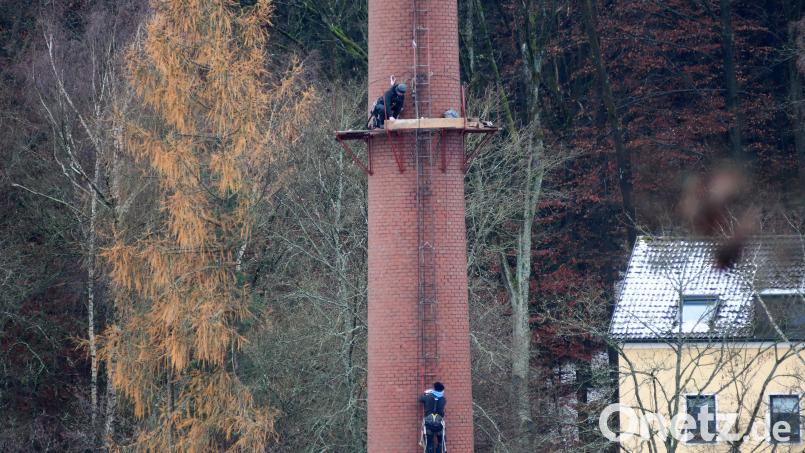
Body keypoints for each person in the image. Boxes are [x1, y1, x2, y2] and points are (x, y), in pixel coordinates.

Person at [418, 382, 446, 453]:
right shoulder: (443, 399)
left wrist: (426, 393)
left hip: (428, 423)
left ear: (434, 389)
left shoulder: (428, 397)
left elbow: (420, 398)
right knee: (440, 443)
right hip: (439, 424)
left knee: (429, 443)